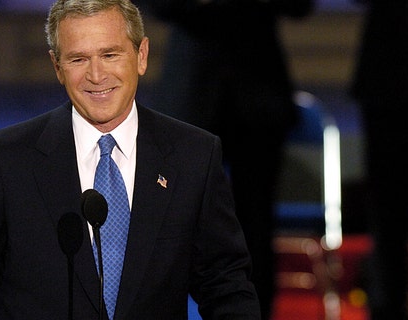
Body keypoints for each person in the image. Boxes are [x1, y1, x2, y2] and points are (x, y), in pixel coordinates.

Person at [0, 0, 260, 319]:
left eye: (110, 55)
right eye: (78, 59)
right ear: (57, 66)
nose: (96, 76)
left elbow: (226, 287)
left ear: (141, 55)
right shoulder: (9, 159)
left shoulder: (193, 155)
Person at [134, 1, 313, 318]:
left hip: (258, 97)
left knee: (256, 229)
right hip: (190, 95)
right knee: (169, 225)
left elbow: (301, 6)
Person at [350, 0, 408, 319]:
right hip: (391, 87)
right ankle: (388, 304)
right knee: (387, 211)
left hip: (395, 85)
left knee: (389, 210)